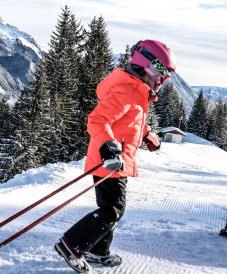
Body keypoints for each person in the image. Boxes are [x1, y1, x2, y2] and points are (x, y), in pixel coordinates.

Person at [54, 39, 176, 273]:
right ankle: (71, 246)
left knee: (111, 208)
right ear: (149, 67)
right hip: (108, 160)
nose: (164, 81)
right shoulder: (128, 89)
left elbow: (131, 121)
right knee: (113, 211)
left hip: (115, 160)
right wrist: (109, 147)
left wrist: (147, 135)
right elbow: (98, 120)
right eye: (164, 74)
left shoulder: (138, 90)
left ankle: (98, 251)